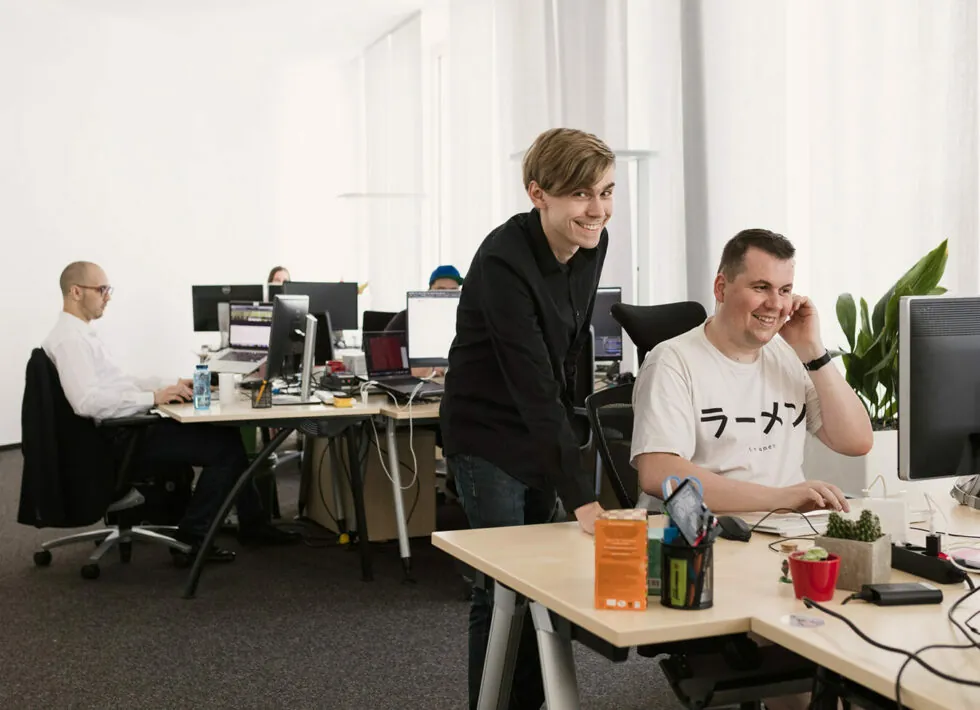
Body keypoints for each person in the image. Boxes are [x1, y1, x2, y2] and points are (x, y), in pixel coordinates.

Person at [441, 127, 614, 709]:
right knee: (500, 587)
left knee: (544, 582)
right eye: (581, 196)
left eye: (607, 192)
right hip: (487, 432)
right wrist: (581, 493)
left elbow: (571, 344)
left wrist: (575, 432)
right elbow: (530, 379)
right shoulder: (501, 262)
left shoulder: (594, 242)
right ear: (538, 193)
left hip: (542, 427)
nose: (598, 211)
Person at [42, 261, 299, 561]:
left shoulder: (81, 334)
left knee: (226, 437)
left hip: (120, 429)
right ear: (75, 292)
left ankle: (252, 524)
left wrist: (169, 385)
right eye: (101, 290)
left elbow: (119, 382)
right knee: (225, 450)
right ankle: (192, 540)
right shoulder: (70, 340)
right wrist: (154, 398)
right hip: (116, 438)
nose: (107, 296)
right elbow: (87, 402)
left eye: (108, 290)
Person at [631, 228, 873, 515]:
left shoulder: (790, 355)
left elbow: (856, 441)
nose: (775, 304)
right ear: (721, 287)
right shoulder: (672, 361)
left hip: (786, 530)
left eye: (785, 290)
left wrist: (813, 351)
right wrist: (779, 499)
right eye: (761, 287)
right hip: (704, 535)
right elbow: (658, 472)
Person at [384, 265, 464, 376]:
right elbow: (384, 358)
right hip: (420, 382)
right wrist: (421, 370)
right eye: (441, 290)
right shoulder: (406, 317)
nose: (447, 296)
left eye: (453, 291)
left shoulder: (465, 320)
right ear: (429, 291)